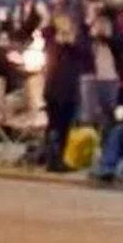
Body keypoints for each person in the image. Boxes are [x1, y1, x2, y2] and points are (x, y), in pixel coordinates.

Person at [43, 14, 87, 172]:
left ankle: (60, 157)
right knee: (54, 126)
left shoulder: (78, 42)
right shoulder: (52, 41)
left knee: (65, 126)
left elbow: (85, 56)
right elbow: (45, 33)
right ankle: (52, 159)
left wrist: (71, 42)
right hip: (54, 89)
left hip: (69, 90)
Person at [80, 13, 123, 126]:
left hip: (111, 79)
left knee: (110, 112)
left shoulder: (115, 41)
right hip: (91, 80)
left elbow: (121, 46)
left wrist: (106, 38)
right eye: (98, 25)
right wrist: (94, 37)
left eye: (104, 26)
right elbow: (81, 50)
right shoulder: (87, 41)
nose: (101, 28)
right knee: (90, 114)